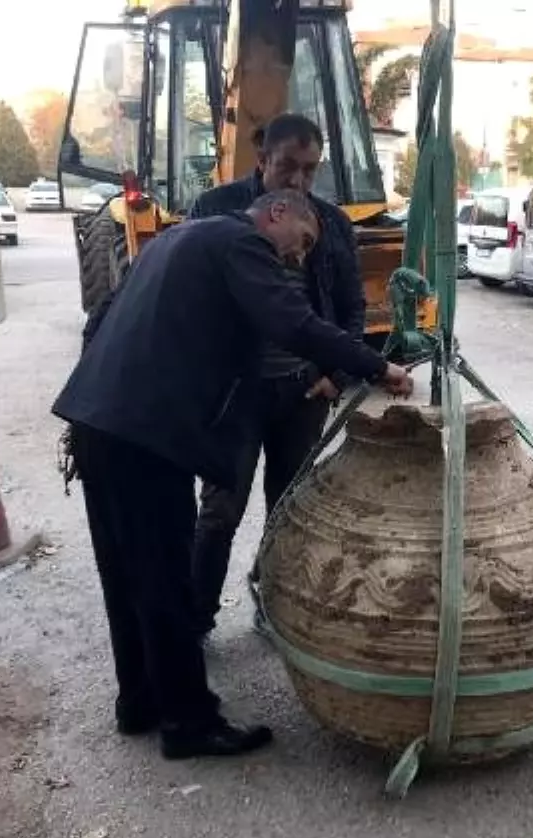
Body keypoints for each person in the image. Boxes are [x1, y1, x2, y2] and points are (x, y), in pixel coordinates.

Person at [52, 189, 413, 759]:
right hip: (147, 433)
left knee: (126, 574)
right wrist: (378, 365)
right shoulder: (241, 244)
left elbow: (101, 318)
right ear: (276, 215)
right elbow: (292, 322)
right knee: (167, 577)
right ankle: (189, 723)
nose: (299, 258)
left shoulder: (171, 240)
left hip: (97, 420)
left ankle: (141, 702)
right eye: (304, 240)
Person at [187, 113, 366, 639]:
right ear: (262, 159)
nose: (299, 181)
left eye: (310, 170)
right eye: (288, 166)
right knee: (220, 510)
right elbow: (194, 299)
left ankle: (275, 604)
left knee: (289, 507)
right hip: (235, 392)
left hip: (303, 393)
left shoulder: (333, 223)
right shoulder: (217, 209)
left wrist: (333, 373)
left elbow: (352, 309)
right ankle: (196, 621)